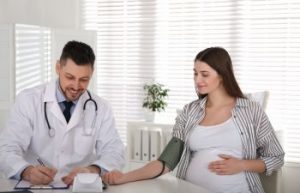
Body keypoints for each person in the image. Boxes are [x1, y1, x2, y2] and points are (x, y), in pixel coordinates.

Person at [103, 47, 284, 193]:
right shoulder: (190, 111)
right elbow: (166, 161)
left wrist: (241, 165)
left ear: (221, 75)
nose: (198, 80)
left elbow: (276, 157)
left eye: (204, 74)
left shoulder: (250, 110)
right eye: (195, 73)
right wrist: (124, 177)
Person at [0, 40, 125, 185]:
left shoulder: (101, 107)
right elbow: (6, 149)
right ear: (58, 67)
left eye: (84, 79)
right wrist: (26, 171)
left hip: (80, 186)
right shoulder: (28, 100)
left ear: (92, 73)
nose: (76, 86)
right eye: (70, 77)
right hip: (35, 186)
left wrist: (92, 169)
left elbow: (115, 151)